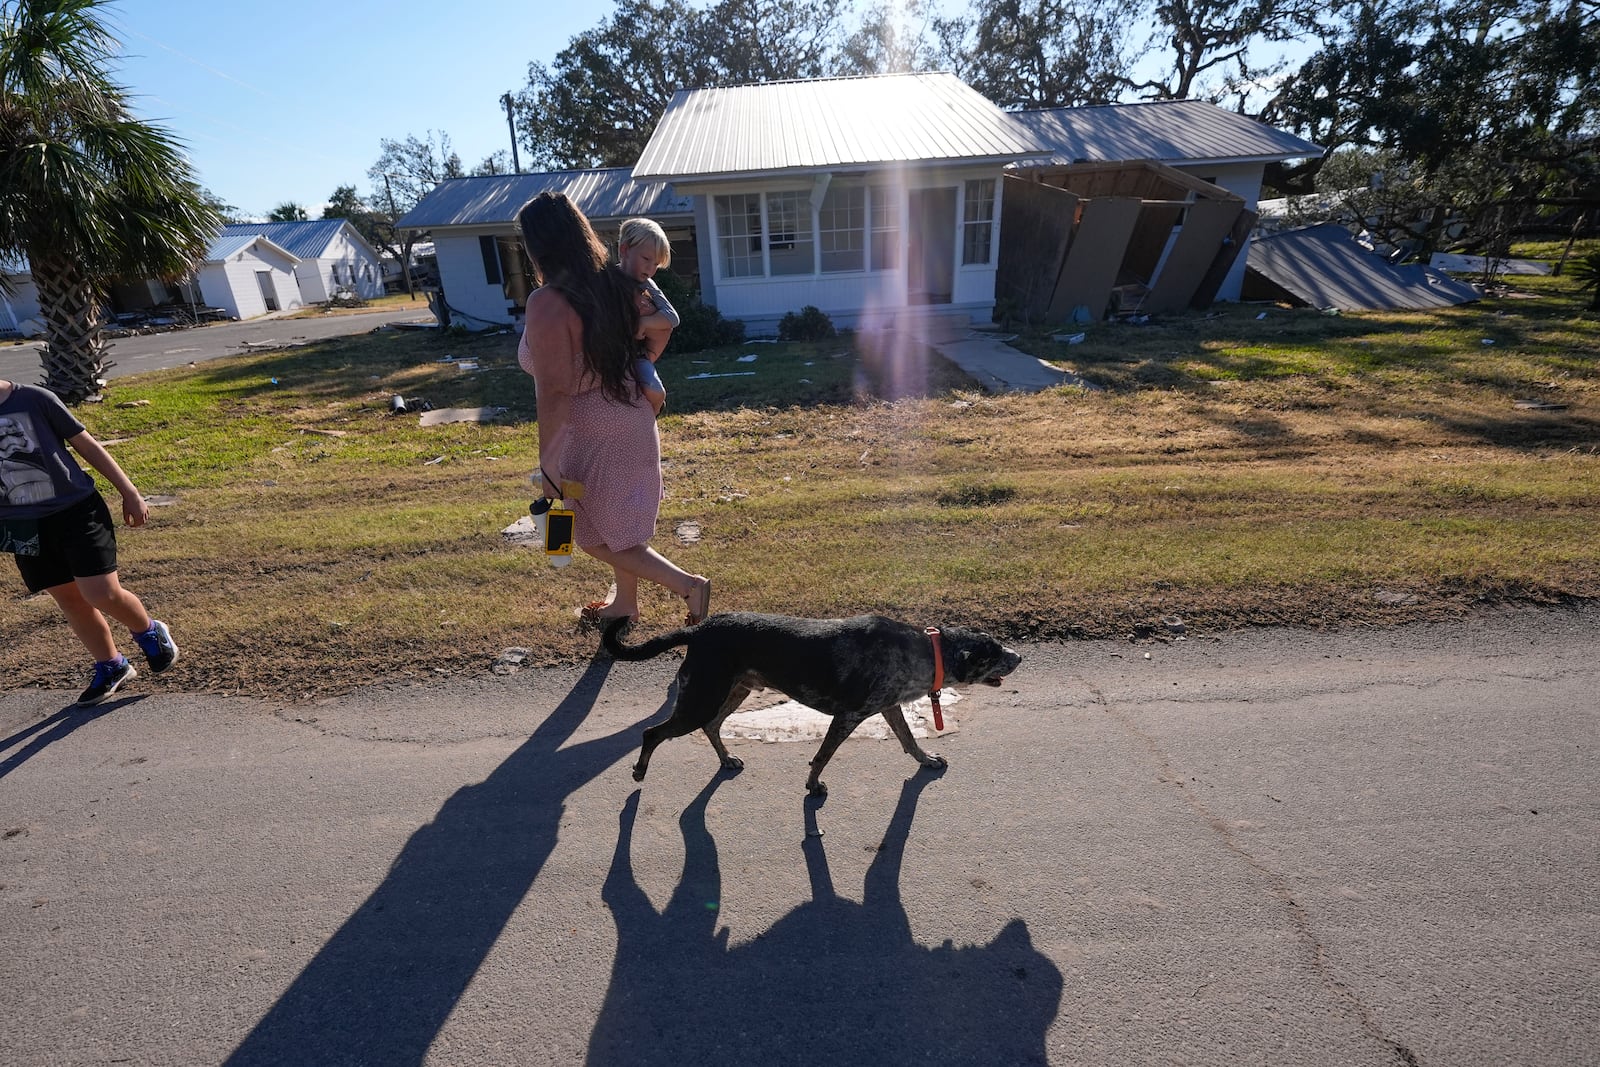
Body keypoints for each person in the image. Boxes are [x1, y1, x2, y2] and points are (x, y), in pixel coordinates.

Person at [515, 192, 711, 627]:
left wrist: (548, 467)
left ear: (537, 246)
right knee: (620, 525)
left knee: (593, 535)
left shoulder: (547, 302)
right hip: (630, 419)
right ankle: (625, 605)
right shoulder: (614, 284)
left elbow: (554, 393)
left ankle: (690, 587)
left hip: (595, 430)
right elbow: (655, 336)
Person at [0, 378, 179, 706]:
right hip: (22, 525)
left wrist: (130, 493)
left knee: (101, 593)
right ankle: (113, 665)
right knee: (69, 600)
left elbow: (88, 446)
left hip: (75, 511)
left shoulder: (34, 398)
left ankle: (148, 631)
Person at [616, 217, 679, 417]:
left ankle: (648, 418)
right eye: (646, 259)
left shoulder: (647, 285)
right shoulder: (605, 279)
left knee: (655, 391)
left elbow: (672, 317)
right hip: (608, 355)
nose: (650, 269)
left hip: (637, 356)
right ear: (624, 250)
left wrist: (644, 321)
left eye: (656, 265)